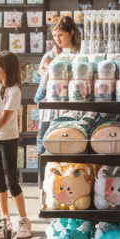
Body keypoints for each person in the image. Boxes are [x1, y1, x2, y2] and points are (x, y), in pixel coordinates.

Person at [0, 51, 30, 239]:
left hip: (7, 138)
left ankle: (23, 219)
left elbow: (4, 118)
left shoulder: (14, 90)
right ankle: (5, 218)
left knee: (11, 177)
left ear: (7, 69)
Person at [34, 16, 82, 155]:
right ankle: (43, 175)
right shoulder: (50, 57)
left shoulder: (81, 55)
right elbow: (43, 83)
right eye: (55, 36)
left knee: (68, 143)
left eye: (60, 35)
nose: (57, 39)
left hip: (71, 108)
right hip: (51, 107)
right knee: (45, 143)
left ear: (71, 33)